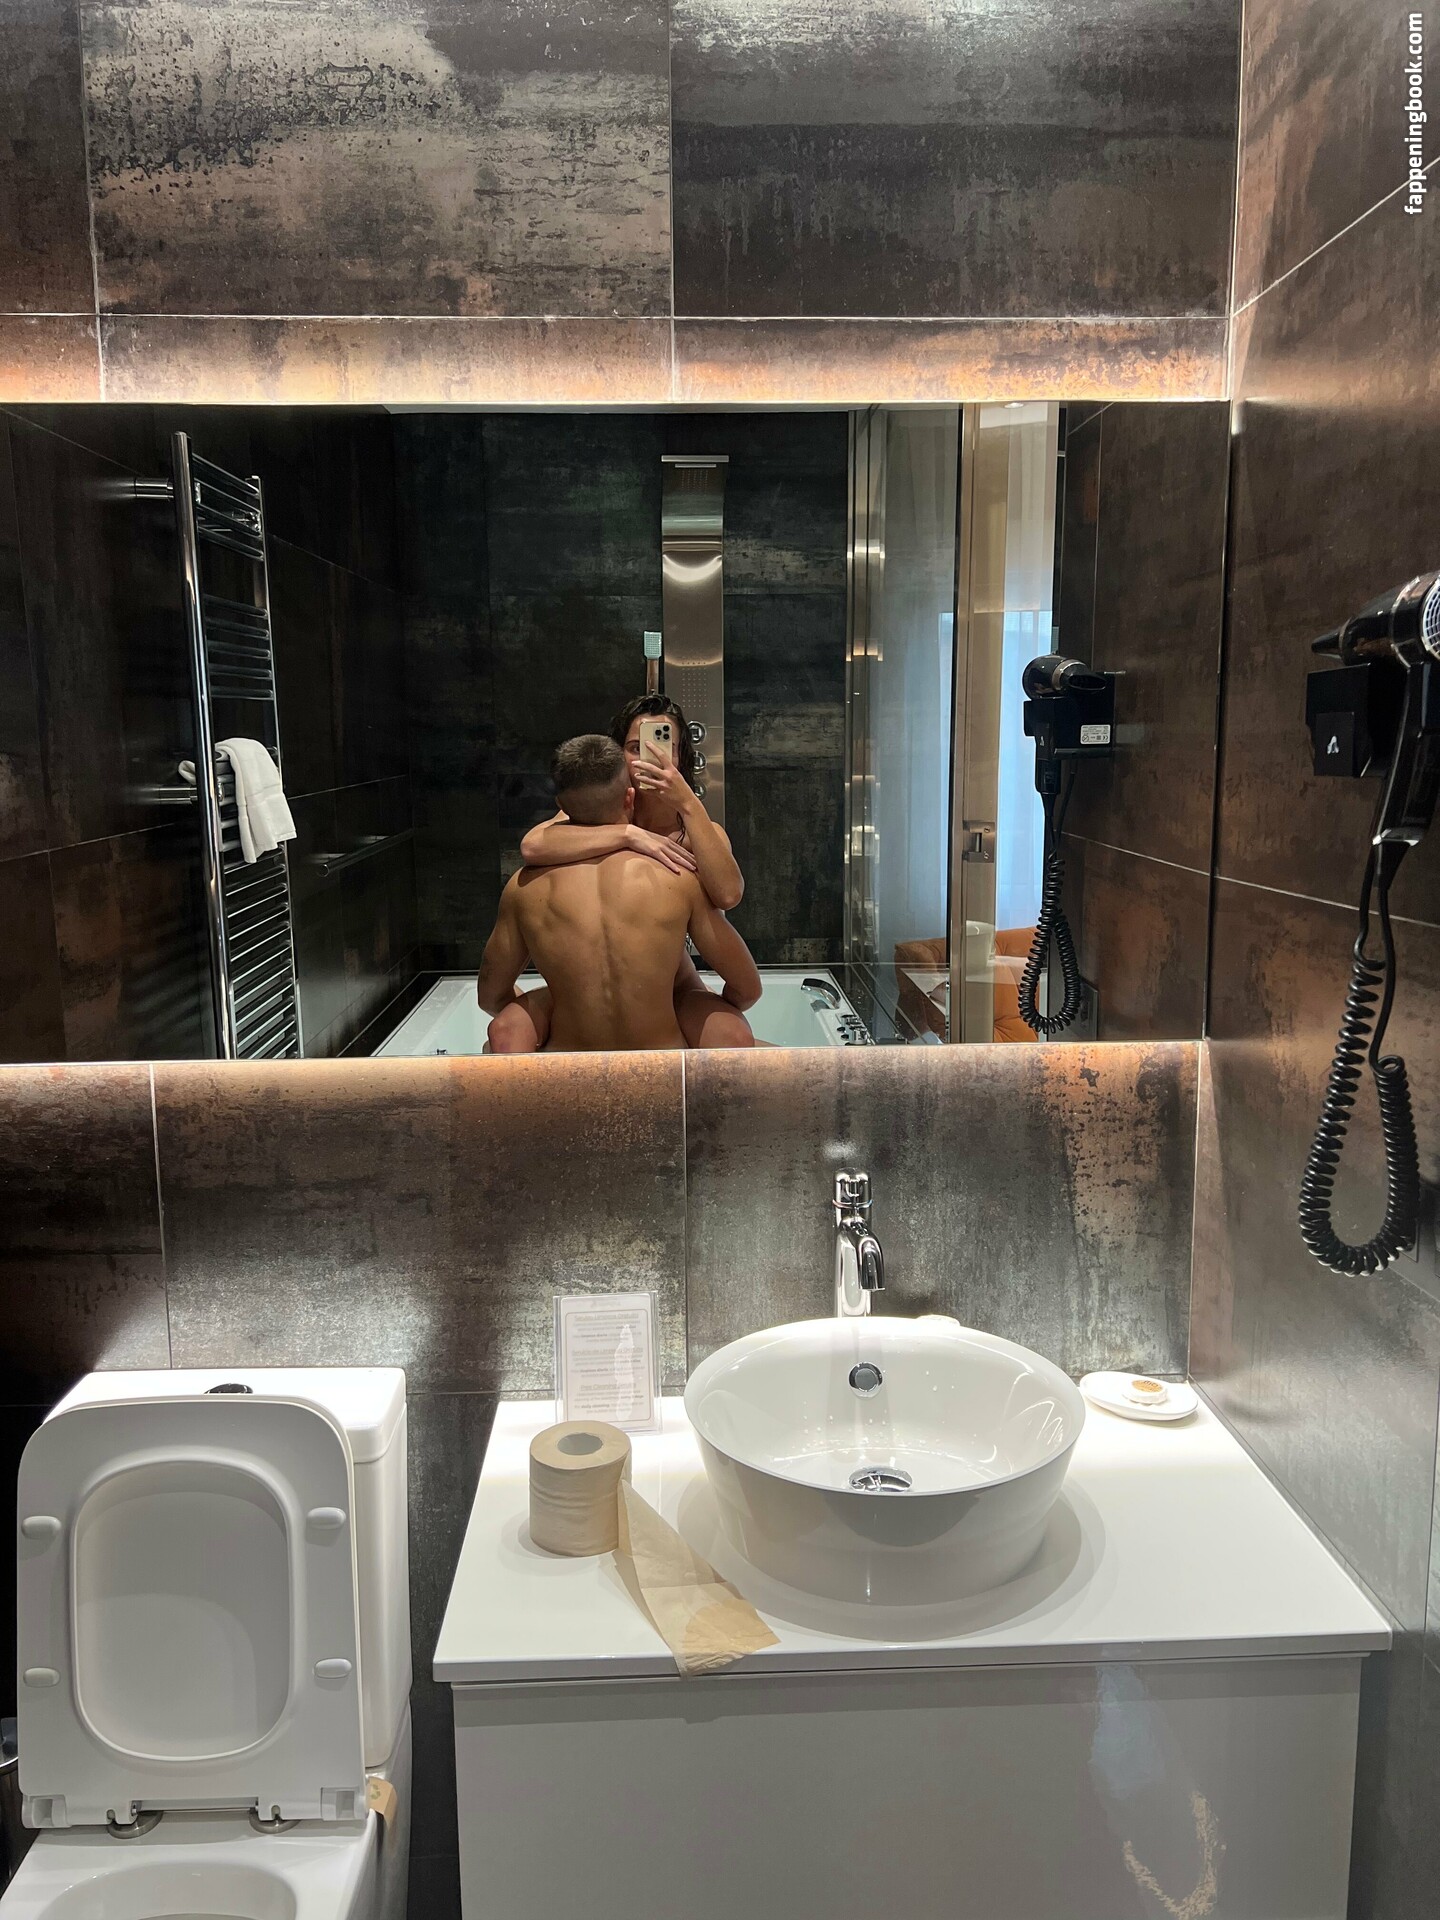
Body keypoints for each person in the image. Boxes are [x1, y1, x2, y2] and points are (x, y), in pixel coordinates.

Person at [492, 692, 755, 1050]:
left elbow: (728, 894)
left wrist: (688, 803)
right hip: (587, 986)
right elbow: (533, 846)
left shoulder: (697, 832)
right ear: (617, 756)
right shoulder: (593, 813)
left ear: (680, 756)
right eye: (635, 747)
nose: (650, 756)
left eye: (665, 746)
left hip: (672, 984)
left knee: (730, 1033)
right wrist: (629, 834)